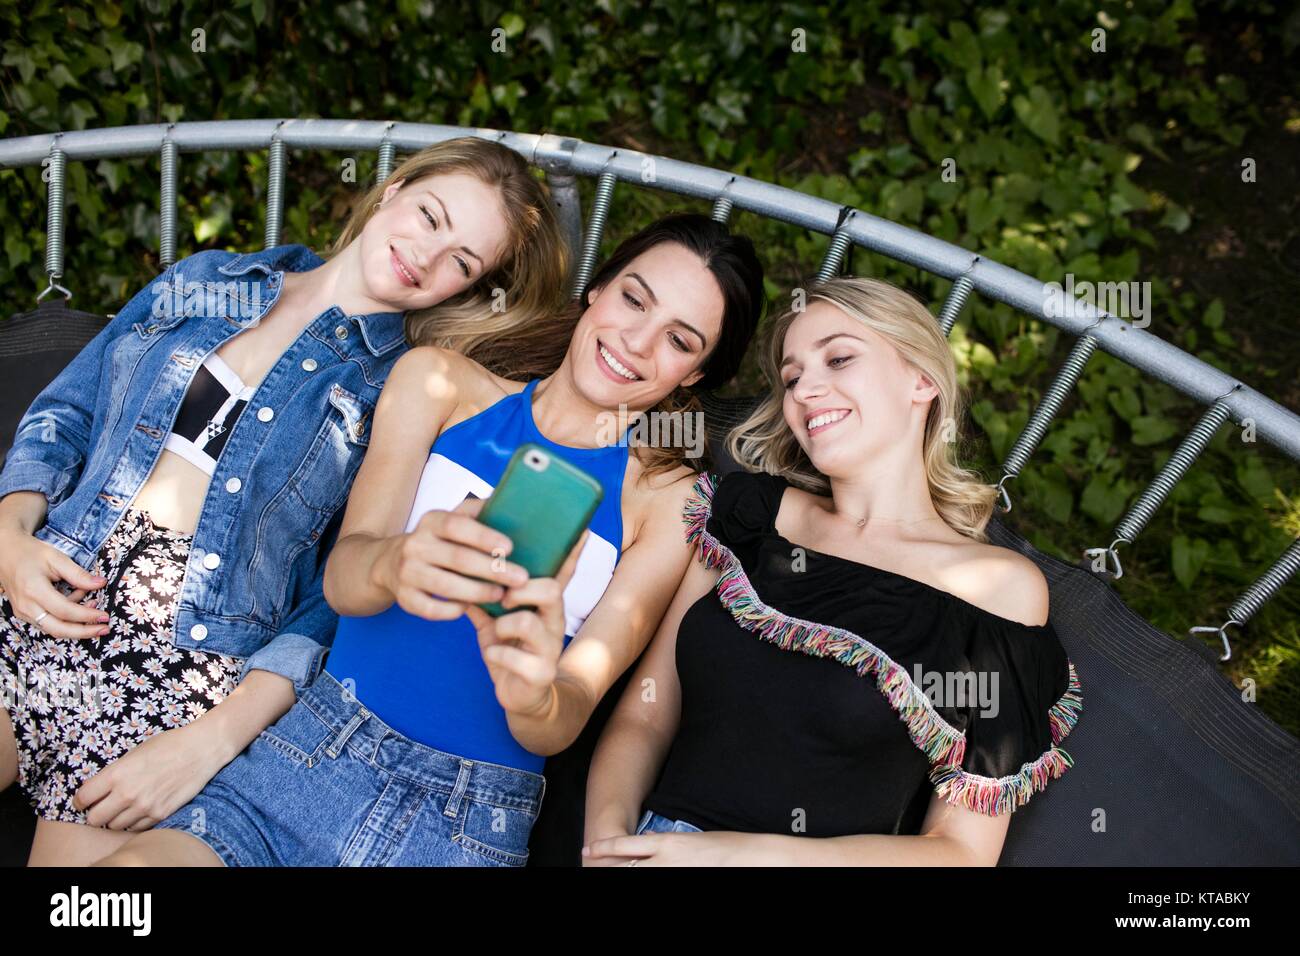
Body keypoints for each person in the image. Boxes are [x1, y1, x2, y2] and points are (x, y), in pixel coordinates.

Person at [92, 212, 767, 867]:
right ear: (596, 290)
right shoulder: (442, 384)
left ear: (697, 375)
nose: (638, 342)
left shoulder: (666, 502)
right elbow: (344, 578)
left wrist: (532, 687)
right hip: (309, 751)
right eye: (633, 300)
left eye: (680, 341)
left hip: (468, 822)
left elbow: (565, 716)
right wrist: (396, 563)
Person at [0, 136, 569, 866]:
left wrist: (212, 739)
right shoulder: (211, 279)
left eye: (461, 261)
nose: (427, 256)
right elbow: (66, 413)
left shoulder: (403, 388)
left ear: (466, 289)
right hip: (44, 579)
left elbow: (330, 600)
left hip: (174, 666)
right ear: (394, 191)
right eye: (430, 216)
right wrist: (12, 537)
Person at [583, 276, 1083, 866]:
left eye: (839, 359)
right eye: (792, 378)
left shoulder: (995, 591)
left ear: (922, 380)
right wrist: (609, 843)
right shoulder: (748, 518)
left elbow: (959, 852)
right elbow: (644, 715)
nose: (805, 390)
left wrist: (734, 856)